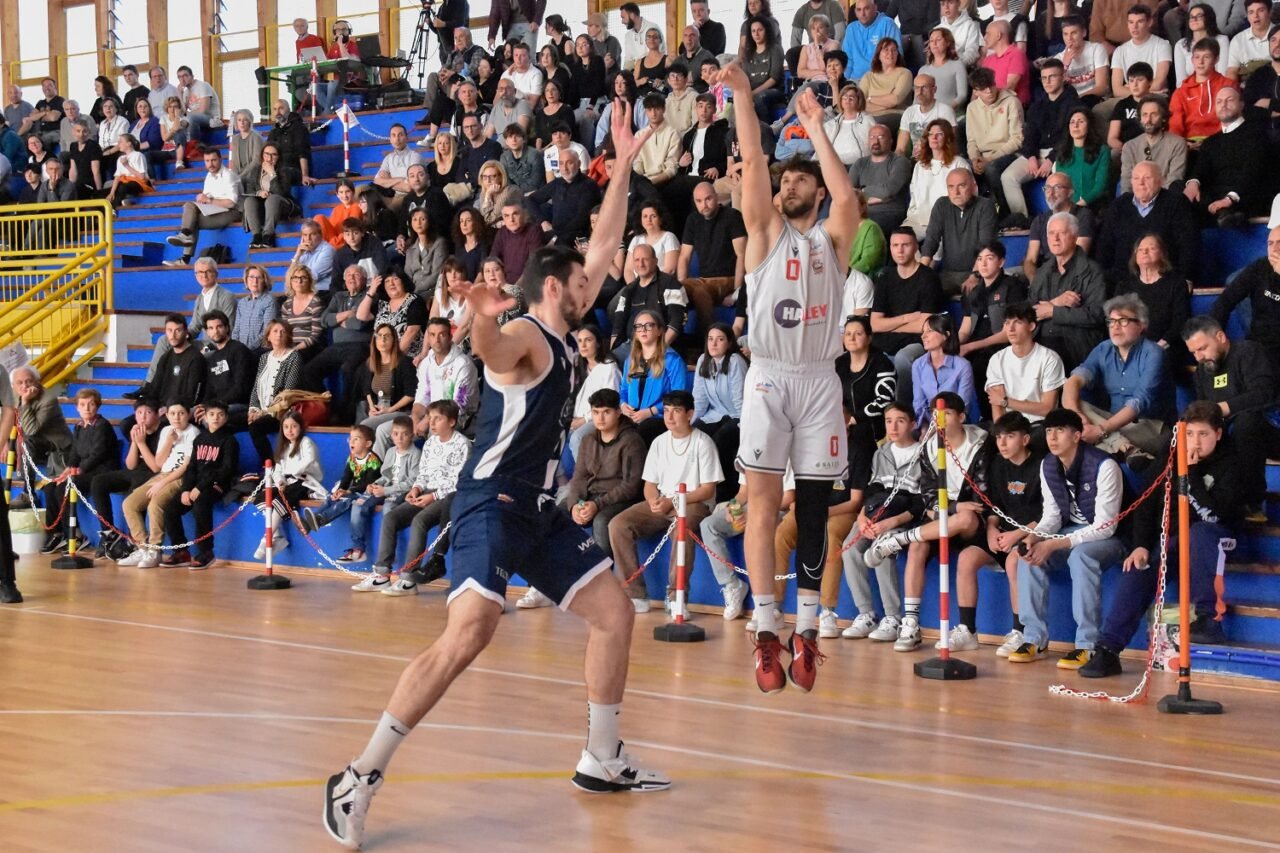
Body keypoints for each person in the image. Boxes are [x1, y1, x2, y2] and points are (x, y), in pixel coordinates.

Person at [322, 100, 665, 849]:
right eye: (582, 283)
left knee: (614, 612)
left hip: (538, 510)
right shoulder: (527, 336)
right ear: (554, 286)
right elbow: (490, 346)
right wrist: (477, 315)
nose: (593, 286)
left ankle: (601, 758)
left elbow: (606, 238)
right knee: (469, 632)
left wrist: (626, 160)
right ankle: (358, 775)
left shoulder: (566, 330)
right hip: (489, 502)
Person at [719, 61, 860, 693]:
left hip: (821, 379)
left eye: (807, 177)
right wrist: (743, 98)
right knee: (761, 505)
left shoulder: (834, 239)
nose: (797, 182)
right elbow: (751, 156)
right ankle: (766, 633)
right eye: (789, 177)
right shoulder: (764, 230)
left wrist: (816, 128)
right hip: (771, 378)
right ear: (778, 193)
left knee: (817, 508)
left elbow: (849, 198)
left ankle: (806, 630)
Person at [1081, 401, 1243, 676]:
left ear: (1218, 433)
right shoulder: (1171, 458)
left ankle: (1208, 619)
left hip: (1217, 538)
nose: (1195, 442)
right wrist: (1141, 545)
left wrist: (1189, 474)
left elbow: (1217, 516)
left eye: (1203, 434)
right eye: (1190, 434)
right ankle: (1108, 649)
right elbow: (1146, 505)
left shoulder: (1233, 463)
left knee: (1200, 533)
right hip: (1176, 540)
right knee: (1139, 568)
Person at [869, 392, 994, 652]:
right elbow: (927, 497)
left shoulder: (981, 443)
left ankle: (899, 539)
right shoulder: (929, 446)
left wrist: (956, 508)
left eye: (946, 413)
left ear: (961, 417)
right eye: (936, 414)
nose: (940, 419)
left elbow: (981, 496)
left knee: (967, 517)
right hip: (941, 516)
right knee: (919, 547)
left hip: (972, 521)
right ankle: (911, 624)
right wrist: (950, 507)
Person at [1007, 407, 1129, 667]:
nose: (1052, 438)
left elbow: (1106, 526)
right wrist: (1035, 537)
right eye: (1049, 431)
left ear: (1076, 436)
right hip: (1069, 531)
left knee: (1081, 556)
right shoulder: (1048, 465)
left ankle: (1088, 645)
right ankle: (1034, 639)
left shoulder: (1105, 466)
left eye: (1060, 431)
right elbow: (1052, 517)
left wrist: (1054, 543)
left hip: (1112, 538)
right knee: (1028, 554)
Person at [610, 389, 723, 612]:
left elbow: (708, 490)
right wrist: (654, 501)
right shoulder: (659, 442)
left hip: (693, 503)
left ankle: (676, 596)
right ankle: (635, 594)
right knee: (618, 525)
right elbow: (649, 485)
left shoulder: (703, 442)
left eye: (676, 412)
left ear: (690, 414)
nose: (669, 417)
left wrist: (674, 501)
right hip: (665, 501)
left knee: (681, 529)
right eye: (667, 411)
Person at [952, 412, 1044, 655]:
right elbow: (994, 508)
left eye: (1009, 437)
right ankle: (967, 630)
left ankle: (1020, 632)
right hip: (1002, 533)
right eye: (999, 437)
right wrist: (992, 529)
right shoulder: (997, 465)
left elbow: (1049, 515)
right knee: (966, 558)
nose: (1002, 443)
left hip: (1031, 533)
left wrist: (1017, 535)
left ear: (1025, 439)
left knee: (1014, 562)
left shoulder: (1043, 466)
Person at [372, 400, 474, 595]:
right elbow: (424, 473)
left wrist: (432, 496)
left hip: (447, 496)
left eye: (438, 419)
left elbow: (457, 481)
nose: (432, 423)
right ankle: (382, 574)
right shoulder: (430, 442)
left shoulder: (462, 444)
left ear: (452, 422)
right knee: (391, 518)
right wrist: (416, 489)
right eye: (430, 418)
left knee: (420, 521)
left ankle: (408, 578)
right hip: (426, 493)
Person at [838, 401, 919, 641]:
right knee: (849, 549)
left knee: (881, 549)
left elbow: (920, 503)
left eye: (900, 421)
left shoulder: (923, 453)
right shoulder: (881, 453)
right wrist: (862, 518)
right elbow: (872, 491)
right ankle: (866, 614)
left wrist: (892, 523)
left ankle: (893, 618)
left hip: (902, 516)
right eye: (888, 421)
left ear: (913, 424)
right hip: (875, 514)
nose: (893, 427)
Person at [1062, 294, 1174, 464]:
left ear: (1142, 325)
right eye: (1111, 321)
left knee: (1079, 442)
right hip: (1113, 424)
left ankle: (1115, 446)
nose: (1115, 327)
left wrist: (1100, 431)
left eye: (1123, 321)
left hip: (1150, 428)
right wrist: (1077, 415)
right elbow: (1073, 381)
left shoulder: (1153, 353)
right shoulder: (1103, 348)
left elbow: (1137, 404)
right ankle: (1127, 448)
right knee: (1076, 404)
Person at [1184, 315, 1280, 506]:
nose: (1199, 357)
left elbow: (1263, 394)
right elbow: (1203, 410)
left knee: (1246, 424)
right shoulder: (1203, 371)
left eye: (1202, 348)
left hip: (1270, 429)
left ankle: (1252, 504)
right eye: (1193, 352)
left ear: (1220, 337)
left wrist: (1220, 409)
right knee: (1185, 432)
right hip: (1228, 434)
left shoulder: (1248, 351)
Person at [117, 401, 200, 569]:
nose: (177, 417)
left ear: (188, 415)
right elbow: (158, 463)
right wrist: (169, 442)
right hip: (163, 474)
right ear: (167, 415)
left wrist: (162, 483)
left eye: (181, 413)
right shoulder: (166, 431)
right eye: (173, 413)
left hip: (180, 477)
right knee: (129, 503)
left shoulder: (194, 432)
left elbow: (186, 466)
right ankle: (142, 548)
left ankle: (155, 550)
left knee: (155, 503)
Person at [871, 227, 947, 402]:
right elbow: (875, 324)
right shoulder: (885, 277)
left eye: (905, 245)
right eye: (895, 245)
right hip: (886, 340)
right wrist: (907, 318)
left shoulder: (928, 278)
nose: (899, 250)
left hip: (919, 340)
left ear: (915, 248)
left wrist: (889, 325)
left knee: (903, 359)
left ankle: (904, 410)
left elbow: (924, 324)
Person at [161, 399, 237, 570]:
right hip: (195, 485)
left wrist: (199, 488)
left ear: (225, 417)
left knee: (201, 504)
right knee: (171, 509)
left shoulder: (229, 441)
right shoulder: (200, 439)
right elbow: (192, 467)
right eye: (211, 414)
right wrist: (186, 489)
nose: (215, 418)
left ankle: (206, 552)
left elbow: (226, 470)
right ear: (206, 417)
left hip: (217, 485)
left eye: (220, 415)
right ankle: (181, 551)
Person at [1028, 211, 1108, 371]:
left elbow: (1097, 314)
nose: (1055, 239)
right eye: (1051, 233)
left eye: (1061, 233)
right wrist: (1055, 304)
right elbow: (1029, 312)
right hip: (1041, 343)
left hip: (1075, 344)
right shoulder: (1042, 272)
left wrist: (1053, 312)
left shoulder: (1092, 271)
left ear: (1074, 236)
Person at [87, 398, 163, 560]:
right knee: (98, 481)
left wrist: (141, 443)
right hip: (137, 471)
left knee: (135, 487)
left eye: (148, 413)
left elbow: (156, 467)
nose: (143, 417)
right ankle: (109, 533)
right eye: (139, 413)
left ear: (157, 415)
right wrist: (135, 442)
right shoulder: (137, 431)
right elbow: (130, 465)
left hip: (155, 475)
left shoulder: (163, 432)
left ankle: (134, 540)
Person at [1183, 86, 1270, 226]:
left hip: (1244, 195)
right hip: (1215, 198)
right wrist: (1193, 183)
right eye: (1219, 102)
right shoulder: (1210, 142)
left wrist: (1229, 199)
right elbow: (1201, 169)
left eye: (1229, 100)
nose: (1223, 105)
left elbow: (1252, 174)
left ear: (1241, 105)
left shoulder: (1256, 134)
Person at [251, 412, 325, 560]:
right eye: (286, 427)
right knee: (262, 497)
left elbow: (309, 460)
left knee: (280, 500)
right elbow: (277, 469)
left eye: (293, 426)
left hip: (304, 482)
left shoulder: (306, 442)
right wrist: (280, 482)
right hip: (288, 482)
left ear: (301, 427)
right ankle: (277, 537)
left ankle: (267, 537)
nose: (290, 430)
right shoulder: (283, 447)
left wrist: (291, 473)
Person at [984, 302, 1067, 430]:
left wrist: (1006, 401)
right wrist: (1001, 435)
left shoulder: (1049, 358)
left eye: (1017, 322)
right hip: (1008, 427)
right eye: (1007, 323)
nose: (1010, 329)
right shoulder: (997, 359)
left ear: (1031, 326)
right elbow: (997, 405)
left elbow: (1047, 408)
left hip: (1040, 425)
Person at [678, 180, 746, 335]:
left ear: (716, 197)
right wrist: (681, 284)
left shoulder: (732, 216)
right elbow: (684, 257)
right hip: (701, 280)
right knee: (672, 289)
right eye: (699, 201)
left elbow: (742, 254)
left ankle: (706, 342)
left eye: (708, 199)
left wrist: (736, 291)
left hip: (726, 279)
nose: (704, 205)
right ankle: (676, 341)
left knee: (701, 291)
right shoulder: (693, 220)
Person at [920, 168, 999, 295]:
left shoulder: (985, 206)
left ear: (973, 186)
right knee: (919, 291)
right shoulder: (942, 204)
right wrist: (919, 274)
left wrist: (975, 275)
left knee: (974, 292)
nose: (955, 192)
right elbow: (931, 240)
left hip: (978, 272)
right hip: (948, 274)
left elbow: (986, 246)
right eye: (951, 187)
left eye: (961, 186)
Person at [299, 424, 384, 541]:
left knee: (346, 501)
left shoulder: (373, 461)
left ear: (368, 444)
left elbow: (368, 483)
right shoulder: (352, 458)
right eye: (350, 438)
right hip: (354, 491)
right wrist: (340, 490)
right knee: (331, 498)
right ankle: (313, 519)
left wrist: (348, 491)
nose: (351, 442)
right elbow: (346, 477)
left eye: (356, 439)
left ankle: (321, 519)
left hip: (367, 494)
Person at [618, 308, 690, 444]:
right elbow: (624, 390)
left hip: (660, 418)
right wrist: (622, 405)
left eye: (649, 325)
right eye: (638, 326)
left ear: (659, 331)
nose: (643, 330)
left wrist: (650, 411)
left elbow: (679, 396)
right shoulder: (631, 360)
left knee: (639, 434)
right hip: (632, 417)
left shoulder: (672, 360)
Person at [693, 323, 747, 502]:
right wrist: (689, 425)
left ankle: (724, 493)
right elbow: (699, 399)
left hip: (739, 416)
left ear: (729, 342)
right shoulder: (703, 360)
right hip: (715, 414)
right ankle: (696, 489)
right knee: (695, 434)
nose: (714, 344)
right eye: (710, 339)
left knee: (722, 438)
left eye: (720, 339)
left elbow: (741, 401)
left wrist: (747, 429)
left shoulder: (735, 361)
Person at [1210, 225, 1280, 361]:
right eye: (1270, 243)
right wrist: (1215, 336)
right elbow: (1226, 300)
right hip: (1260, 345)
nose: (1275, 249)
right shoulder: (1260, 267)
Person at [163, 148, 242, 268]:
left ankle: (185, 252)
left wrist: (208, 200)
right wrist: (202, 200)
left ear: (220, 159)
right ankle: (185, 236)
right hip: (216, 210)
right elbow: (207, 198)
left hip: (232, 212)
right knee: (190, 207)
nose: (210, 164)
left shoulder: (229, 175)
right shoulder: (209, 176)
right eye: (207, 161)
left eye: (214, 160)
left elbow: (231, 203)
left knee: (192, 219)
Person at [1113, 233, 1192, 349]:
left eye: (1151, 248)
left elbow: (1180, 322)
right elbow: (1116, 320)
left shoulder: (1176, 283)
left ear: (1162, 254)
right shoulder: (1124, 286)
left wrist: (1159, 346)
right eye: (1140, 249)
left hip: (1165, 347)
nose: (1145, 252)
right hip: (1130, 347)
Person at [609, 245, 688, 359]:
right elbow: (617, 327)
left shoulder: (671, 285)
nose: (640, 264)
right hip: (632, 346)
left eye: (645, 259)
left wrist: (656, 352)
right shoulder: (628, 290)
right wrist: (611, 359)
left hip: (663, 346)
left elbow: (676, 323)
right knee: (609, 363)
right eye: (636, 260)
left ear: (655, 260)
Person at [246, 320, 304, 463]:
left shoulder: (294, 357)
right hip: (261, 410)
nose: (279, 335)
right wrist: (253, 409)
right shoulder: (264, 358)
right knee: (227, 421)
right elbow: (256, 386)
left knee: (255, 427)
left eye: (283, 332)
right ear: (268, 336)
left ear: (288, 336)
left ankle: (270, 466)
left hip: (281, 412)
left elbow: (288, 391)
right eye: (275, 331)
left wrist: (264, 412)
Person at [1022, 173, 1096, 281]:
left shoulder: (1083, 216)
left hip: (1072, 277)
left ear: (1070, 192)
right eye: (1047, 188)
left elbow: (1078, 257)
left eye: (1057, 188)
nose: (1051, 193)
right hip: (1044, 277)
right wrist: (1036, 284)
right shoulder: (1039, 220)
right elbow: (1030, 260)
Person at [902, 119, 970, 237]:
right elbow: (913, 195)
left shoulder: (959, 163)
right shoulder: (920, 166)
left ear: (947, 138)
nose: (934, 137)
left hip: (948, 222)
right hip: (919, 220)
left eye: (939, 134)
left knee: (935, 246)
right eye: (931, 134)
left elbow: (969, 196)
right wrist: (912, 216)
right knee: (900, 239)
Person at [911, 315, 979, 426]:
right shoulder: (918, 365)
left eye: (930, 331)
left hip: (955, 424)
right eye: (923, 332)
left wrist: (942, 427)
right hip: (928, 425)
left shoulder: (962, 366)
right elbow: (919, 404)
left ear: (946, 335)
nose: (923, 336)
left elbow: (962, 406)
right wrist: (924, 429)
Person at [527, 148, 601, 246]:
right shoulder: (557, 183)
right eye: (561, 163)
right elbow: (531, 199)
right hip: (556, 234)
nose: (564, 168)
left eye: (569, 163)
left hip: (579, 237)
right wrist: (543, 221)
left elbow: (581, 220)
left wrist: (555, 237)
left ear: (578, 164)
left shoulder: (589, 185)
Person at [352, 324, 418, 432]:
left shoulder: (404, 362)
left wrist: (390, 409)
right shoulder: (370, 362)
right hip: (378, 408)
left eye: (387, 336)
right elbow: (367, 390)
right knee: (359, 427)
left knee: (365, 426)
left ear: (394, 340)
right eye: (380, 336)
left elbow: (410, 394)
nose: (383, 339)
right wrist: (372, 408)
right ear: (375, 340)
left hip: (399, 410)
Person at [1169, 39, 1236, 143]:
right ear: (1192, 60)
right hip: (1189, 143)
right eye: (1197, 57)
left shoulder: (1228, 85)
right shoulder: (1181, 92)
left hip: (1221, 141)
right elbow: (1175, 126)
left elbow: (1232, 119)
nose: (1200, 62)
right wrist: (1182, 145)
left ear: (1216, 59)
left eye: (1206, 57)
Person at [849, 124, 912, 233]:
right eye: (872, 137)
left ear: (891, 141)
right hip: (860, 212)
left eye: (881, 137)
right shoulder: (860, 163)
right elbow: (848, 192)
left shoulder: (900, 162)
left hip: (890, 213)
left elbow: (888, 190)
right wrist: (878, 197)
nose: (876, 141)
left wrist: (862, 191)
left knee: (867, 228)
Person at [1118, 97, 1188, 194]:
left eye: (1154, 114)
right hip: (1136, 201)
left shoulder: (1177, 143)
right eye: (1144, 115)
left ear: (1163, 118)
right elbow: (1127, 182)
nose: (1148, 120)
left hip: (1165, 201)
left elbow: (1174, 180)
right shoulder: (1129, 147)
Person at [198, 310, 255, 426]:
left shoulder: (239, 350)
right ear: (207, 332)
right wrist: (204, 405)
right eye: (211, 328)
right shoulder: (213, 357)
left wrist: (214, 406)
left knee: (208, 420)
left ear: (227, 328)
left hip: (239, 404)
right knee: (192, 414)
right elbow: (209, 389)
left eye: (219, 327)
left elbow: (241, 389)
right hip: (219, 405)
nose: (215, 331)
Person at [1110, 6, 1173, 97]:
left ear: (1149, 22)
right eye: (1131, 22)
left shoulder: (1162, 45)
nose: (1134, 27)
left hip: (1155, 98)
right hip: (1130, 99)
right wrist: (1144, 91)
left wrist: (1130, 89)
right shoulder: (1119, 51)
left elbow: (1159, 84)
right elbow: (1117, 90)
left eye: (1140, 22)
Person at [896, 74, 956, 158]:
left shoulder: (945, 111)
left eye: (924, 88)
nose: (919, 92)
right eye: (917, 88)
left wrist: (926, 152)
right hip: (916, 161)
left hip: (938, 159)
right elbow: (900, 149)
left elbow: (950, 145)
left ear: (934, 90)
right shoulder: (909, 112)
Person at [842, 0, 903, 82]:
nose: (862, 14)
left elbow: (896, 57)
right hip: (855, 80)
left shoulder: (888, 24)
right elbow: (847, 60)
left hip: (880, 80)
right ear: (855, 12)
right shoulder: (851, 28)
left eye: (866, 9)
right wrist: (845, 82)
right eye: (859, 10)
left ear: (875, 8)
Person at [1172, 4, 1231, 84]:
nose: (1194, 19)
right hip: (1190, 91)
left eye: (1199, 16)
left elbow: (1223, 74)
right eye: (1191, 17)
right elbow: (1180, 81)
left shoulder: (1221, 40)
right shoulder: (1181, 44)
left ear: (1208, 18)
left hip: (1216, 88)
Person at [1057, 15, 1111, 101]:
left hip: (1096, 99)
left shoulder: (1097, 49)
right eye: (1065, 34)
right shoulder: (1058, 59)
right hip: (1071, 104)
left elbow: (1102, 87)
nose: (1069, 38)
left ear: (1084, 33)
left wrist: (1078, 98)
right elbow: (1057, 92)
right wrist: (1064, 66)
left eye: (1074, 33)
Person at [279, 266, 326, 363]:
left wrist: (295, 349)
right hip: (291, 345)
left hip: (310, 346)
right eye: (295, 278)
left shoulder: (315, 302)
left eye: (303, 278)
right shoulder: (286, 304)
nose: (299, 281)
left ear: (309, 281)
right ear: (290, 281)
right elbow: (285, 332)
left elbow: (316, 335)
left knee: (295, 359)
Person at [980, 20, 1031, 106]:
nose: (984, 37)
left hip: (1011, 109)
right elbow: (979, 86)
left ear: (998, 35)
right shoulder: (988, 59)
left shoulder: (1016, 55)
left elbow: (1010, 87)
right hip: (990, 108)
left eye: (988, 34)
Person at [1227, 0, 1272, 82]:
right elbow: (1232, 72)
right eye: (1251, 12)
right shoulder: (1238, 40)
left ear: (1270, 12)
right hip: (1246, 89)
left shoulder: (1277, 34)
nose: (1256, 16)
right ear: (1247, 15)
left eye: (1261, 10)